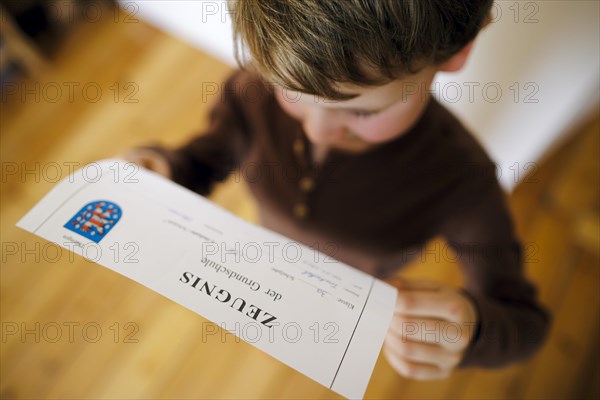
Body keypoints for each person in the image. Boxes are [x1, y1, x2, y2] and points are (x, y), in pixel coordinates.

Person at [119, 0, 550, 381]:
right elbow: (209, 157)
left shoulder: (461, 179)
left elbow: (524, 322)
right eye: (291, 94)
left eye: (362, 111)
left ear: (458, 52)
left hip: (339, 316)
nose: (318, 130)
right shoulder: (250, 89)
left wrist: (472, 329)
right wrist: (169, 171)